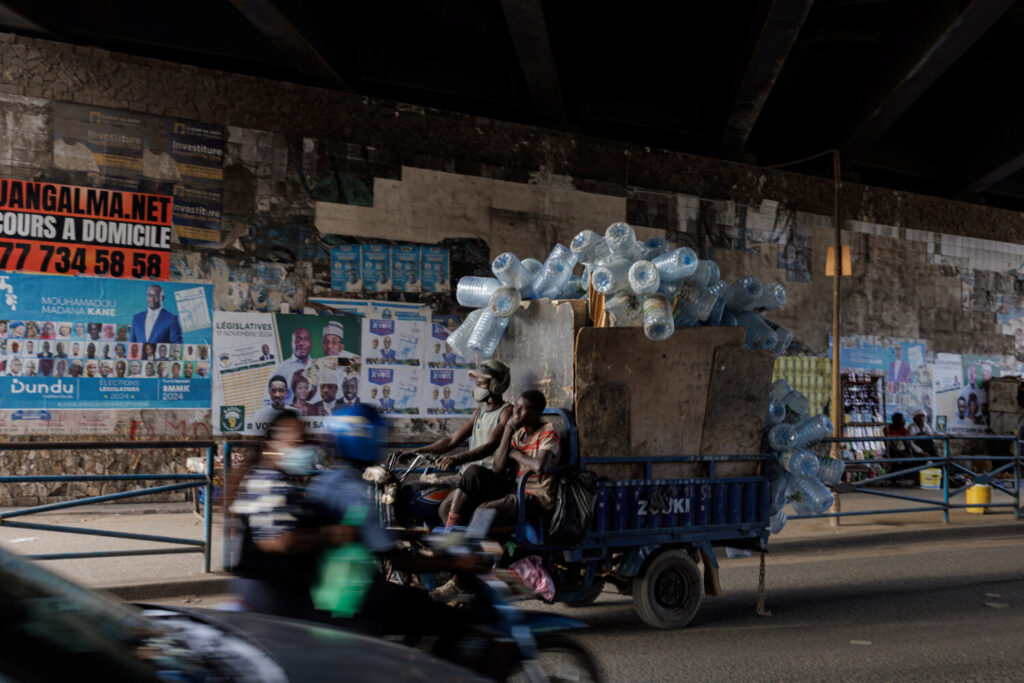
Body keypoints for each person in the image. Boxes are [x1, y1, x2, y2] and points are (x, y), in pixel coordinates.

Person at [228, 407, 481, 638]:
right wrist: (456, 563)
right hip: (336, 597)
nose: (306, 445)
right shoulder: (345, 489)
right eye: (299, 440)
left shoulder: (324, 481)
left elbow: (368, 533)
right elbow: (394, 558)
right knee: (438, 615)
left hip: (324, 591)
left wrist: (423, 537)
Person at [432, 390, 560, 601]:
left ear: (536, 412)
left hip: (534, 497)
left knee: (484, 511)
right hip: (514, 489)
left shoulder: (548, 432)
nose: (516, 411)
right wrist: (509, 429)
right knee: (470, 476)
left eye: (522, 408)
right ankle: (452, 542)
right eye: (516, 407)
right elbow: (499, 467)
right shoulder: (517, 433)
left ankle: (460, 580)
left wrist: (516, 454)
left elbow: (539, 465)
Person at [269, 327, 314, 405]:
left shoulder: (319, 366)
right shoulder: (281, 369)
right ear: (291, 344)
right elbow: (267, 402)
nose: (302, 343)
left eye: (306, 339)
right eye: (298, 339)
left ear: (310, 343)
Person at [885, 412, 913, 485]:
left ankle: (904, 478)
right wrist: (904, 453)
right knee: (895, 458)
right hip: (890, 450)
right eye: (901, 420)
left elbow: (907, 442)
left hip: (900, 449)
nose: (903, 421)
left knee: (910, 460)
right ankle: (894, 479)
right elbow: (889, 445)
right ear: (895, 420)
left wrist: (909, 453)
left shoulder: (903, 429)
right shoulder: (887, 429)